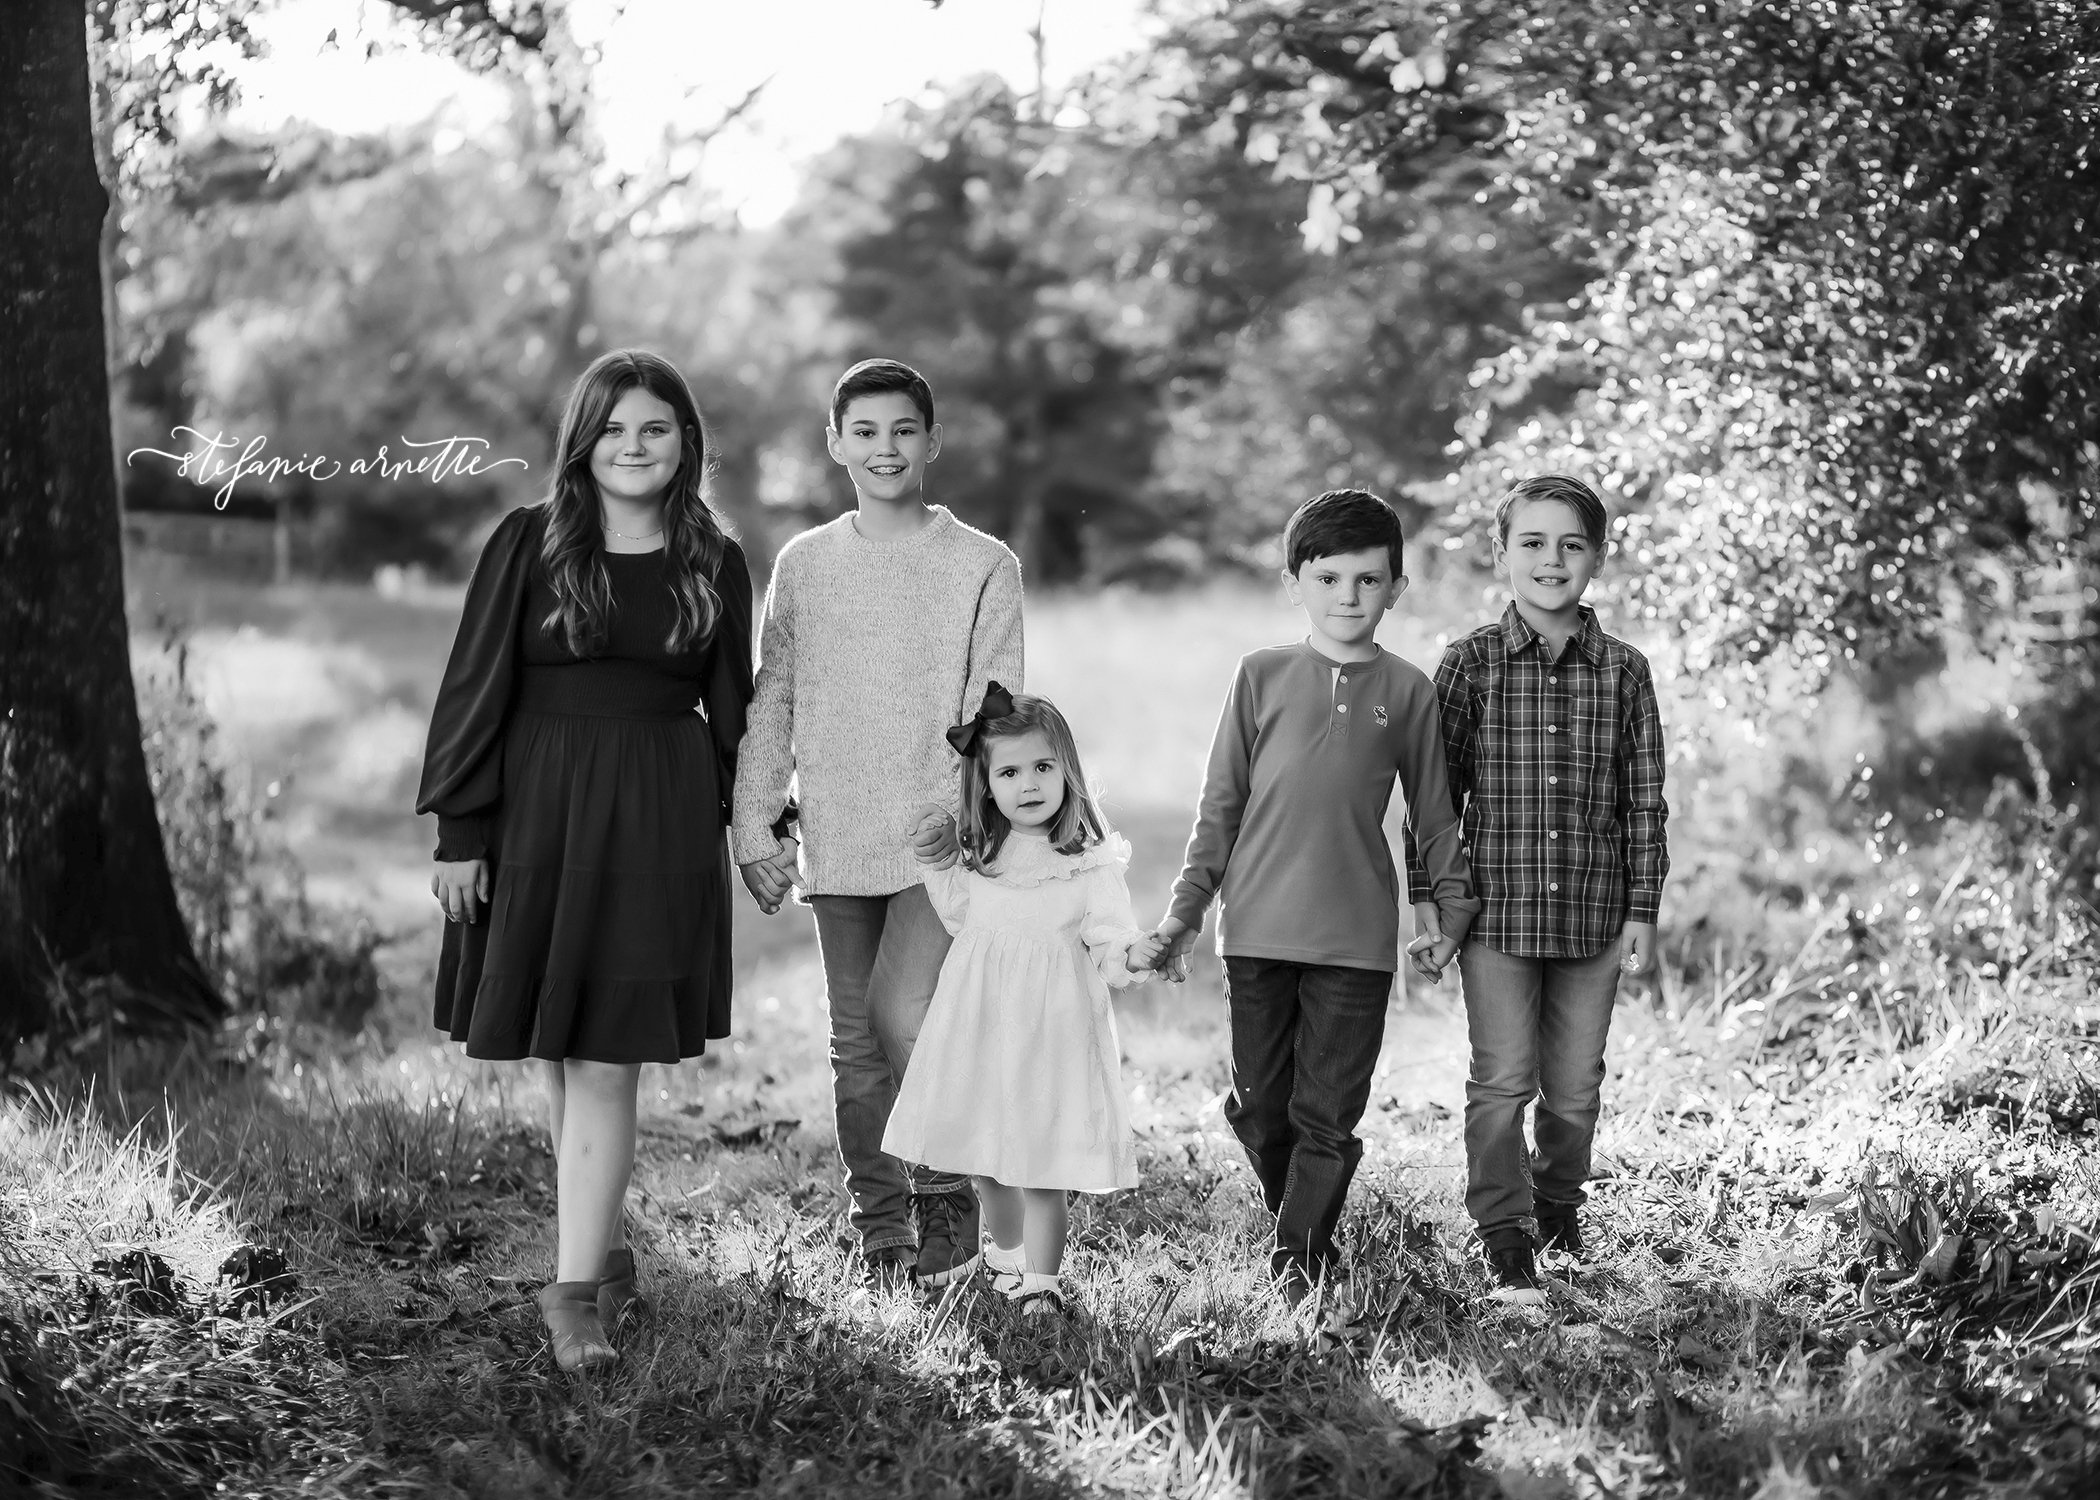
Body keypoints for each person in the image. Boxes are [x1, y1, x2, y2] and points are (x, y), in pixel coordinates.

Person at [415, 349, 753, 1371]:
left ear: (686, 443)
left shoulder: (716, 558)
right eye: (614, 428)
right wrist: (460, 834)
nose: (634, 446)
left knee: (608, 1054)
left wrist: (762, 831)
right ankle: (599, 1257)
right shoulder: (529, 542)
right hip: (541, 815)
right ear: (584, 441)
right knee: (565, 1050)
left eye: (655, 428)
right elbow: (475, 687)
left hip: (659, 817)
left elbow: (739, 711)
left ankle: (570, 1300)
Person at [731, 358, 1024, 1288]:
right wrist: (755, 826)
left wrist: (972, 818)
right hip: (838, 834)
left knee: (911, 1018)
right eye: (865, 432)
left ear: (931, 442)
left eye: (903, 431)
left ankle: (947, 1194)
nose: (885, 449)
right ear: (835, 445)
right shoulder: (805, 565)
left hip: (941, 835)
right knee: (855, 1046)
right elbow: (772, 698)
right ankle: (883, 1228)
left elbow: (998, 709)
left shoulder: (982, 564)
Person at [1156, 487, 1479, 1299]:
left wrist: (1448, 911)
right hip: (1256, 932)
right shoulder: (1260, 676)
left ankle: (1297, 1261)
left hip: (1355, 939)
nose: (1349, 597)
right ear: (1296, 582)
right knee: (1262, 1112)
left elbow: (1435, 817)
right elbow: (1219, 805)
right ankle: (1300, 1231)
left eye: (1369, 581)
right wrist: (1184, 914)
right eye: (1330, 578)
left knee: (1326, 1116)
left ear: (1397, 589)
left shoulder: (1408, 692)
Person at [1401, 473, 1668, 1305]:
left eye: (1571, 544)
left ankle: (1558, 1205)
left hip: (1592, 913)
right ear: (1502, 552)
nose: (1552, 560)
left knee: (1575, 1087)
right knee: (1502, 1078)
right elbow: (1433, 798)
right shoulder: (1471, 663)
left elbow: (1643, 799)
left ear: (1596, 556)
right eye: (1533, 543)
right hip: (1497, 917)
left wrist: (1642, 911)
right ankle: (1504, 1232)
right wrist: (1431, 903)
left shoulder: (1624, 671)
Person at [883, 686, 1163, 1316]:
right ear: (985, 785)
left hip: (1053, 1036)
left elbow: (1109, 938)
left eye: (1043, 767)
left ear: (1069, 772)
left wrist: (1134, 954)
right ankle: (1005, 1255)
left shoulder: (1087, 865)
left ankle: (1043, 1279)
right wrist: (937, 856)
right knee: (985, 1159)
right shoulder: (982, 857)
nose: (1029, 784)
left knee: (1040, 1166)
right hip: (982, 1029)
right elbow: (958, 914)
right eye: (1009, 772)